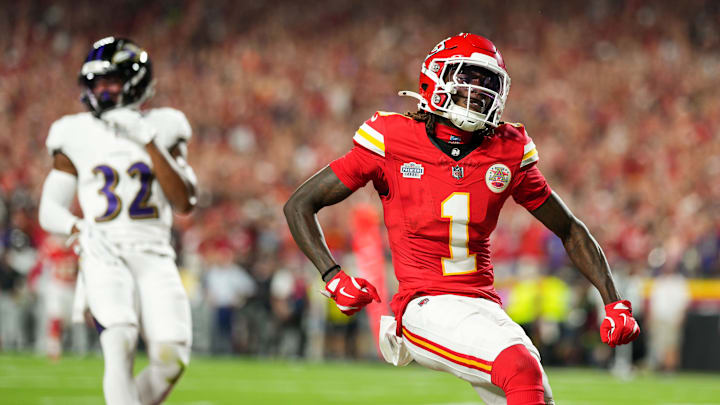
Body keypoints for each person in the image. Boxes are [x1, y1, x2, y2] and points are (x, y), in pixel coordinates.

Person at [284, 33, 640, 405]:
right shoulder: (392, 139)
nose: (481, 92)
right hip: (424, 304)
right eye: (470, 79)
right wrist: (333, 276)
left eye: (489, 84)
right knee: (520, 369)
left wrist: (614, 301)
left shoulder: (508, 149)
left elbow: (569, 229)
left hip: (484, 305)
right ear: (436, 80)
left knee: (537, 395)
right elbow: (299, 204)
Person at [38, 37, 197, 405]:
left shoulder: (166, 124)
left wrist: (149, 141)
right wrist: (79, 228)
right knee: (120, 338)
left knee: (172, 358)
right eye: (95, 83)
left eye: (110, 81)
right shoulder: (73, 131)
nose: (101, 91)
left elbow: (184, 200)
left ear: (134, 81)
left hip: (155, 252)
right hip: (103, 248)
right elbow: (50, 208)